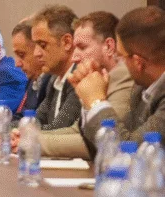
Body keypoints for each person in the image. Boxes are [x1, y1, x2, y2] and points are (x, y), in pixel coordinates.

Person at [12, 11, 134, 158]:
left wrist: (31, 142)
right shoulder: (90, 79)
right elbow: (79, 131)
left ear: (108, 46)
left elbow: (107, 141)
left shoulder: (122, 77)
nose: (75, 57)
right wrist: (27, 138)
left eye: (82, 47)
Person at [74, 6, 165, 156]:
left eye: (121, 56)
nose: (119, 62)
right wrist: (89, 104)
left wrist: (96, 102)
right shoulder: (140, 90)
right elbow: (103, 149)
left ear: (138, 62)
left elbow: (127, 154)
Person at [31, 5, 82, 130]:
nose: (36, 53)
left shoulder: (79, 77)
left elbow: (59, 129)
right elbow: (35, 121)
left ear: (67, 42)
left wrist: (18, 132)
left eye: (42, 45)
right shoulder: (53, 80)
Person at [10, 20, 49, 115]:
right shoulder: (31, 80)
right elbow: (22, 116)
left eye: (21, 55)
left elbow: (38, 120)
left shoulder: (52, 82)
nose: (17, 64)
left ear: (38, 50)